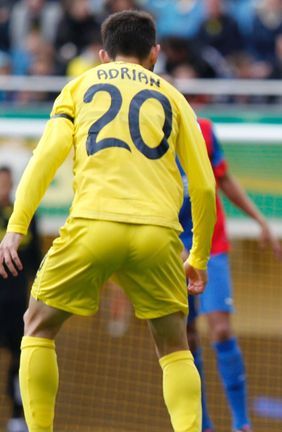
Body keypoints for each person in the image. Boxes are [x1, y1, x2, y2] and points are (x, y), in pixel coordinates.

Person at [0, 10, 217, 432]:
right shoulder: (174, 97)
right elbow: (205, 187)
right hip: (158, 233)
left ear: (103, 55)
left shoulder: (79, 86)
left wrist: (16, 227)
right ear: (154, 53)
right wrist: (200, 258)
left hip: (93, 225)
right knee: (174, 346)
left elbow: (44, 159)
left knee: (37, 326)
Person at [179, 118, 282, 432]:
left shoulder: (204, 130)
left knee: (220, 329)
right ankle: (203, 424)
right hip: (169, 244)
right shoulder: (143, 133)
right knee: (185, 337)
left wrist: (260, 221)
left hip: (211, 243)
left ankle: (242, 423)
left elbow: (223, 179)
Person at [0, 166, 41, 432]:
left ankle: (18, 416)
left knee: (21, 359)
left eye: (6, 182)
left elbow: (36, 257)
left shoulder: (23, 216)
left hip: (17, 302)